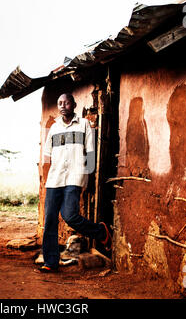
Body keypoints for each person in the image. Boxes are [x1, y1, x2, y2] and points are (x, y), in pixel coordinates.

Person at [40, 93, 111, 273]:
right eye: (60, 103)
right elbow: (47, 156)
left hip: (74, 176)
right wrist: (47, 176)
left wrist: (88, 177)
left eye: (66, 102)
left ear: (74, 104)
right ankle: (51, 261)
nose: (63, 105)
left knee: (70, 215)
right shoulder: (54, 128)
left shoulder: (84, 124)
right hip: (54, 179)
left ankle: (100, 232)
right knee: (49, 220)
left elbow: (91, 152)